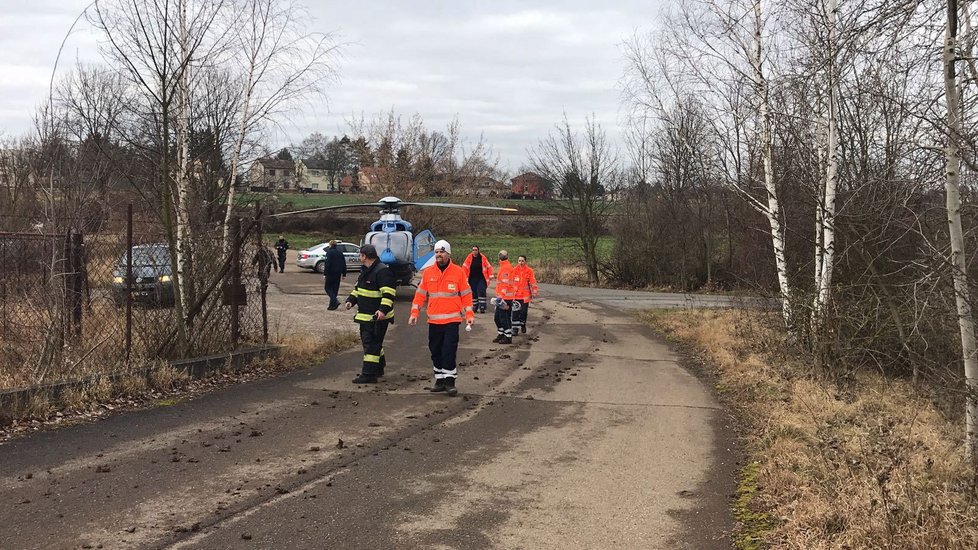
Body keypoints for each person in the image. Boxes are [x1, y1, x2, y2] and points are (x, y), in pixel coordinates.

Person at [408, 239, 475, 396]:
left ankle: (450, 382)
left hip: (452, 321)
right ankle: (439, 380)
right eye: (437, 252)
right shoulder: (428, 273)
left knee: (448, 351)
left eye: (442, 252)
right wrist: (414, 313)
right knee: (435, 350)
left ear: (448, 254)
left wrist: (469, 315)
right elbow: (420, 295)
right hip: (434, 321)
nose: (438, 255)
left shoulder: (458, 272)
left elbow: (466, 295)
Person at [345, 244, 397, 384]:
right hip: (365, 316)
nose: (359, 257)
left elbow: (388, 294)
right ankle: (378, 368)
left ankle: (368, 374)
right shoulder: (366, 271)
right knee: (372, 343)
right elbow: (358, 290)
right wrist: (351, 300)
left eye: (360, 255)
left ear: (364, 256)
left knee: (371, 344)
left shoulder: (382, 272)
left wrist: (382, 311)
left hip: (377, 317)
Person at [511, 254, 540, 334]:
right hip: (516, 296)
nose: (521, 262)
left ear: (525, 261)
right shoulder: (514, 270)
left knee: (523, 312)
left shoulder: (529, 271)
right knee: (515, 313)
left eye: (522, 261)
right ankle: (515, 329)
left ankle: (523, 324)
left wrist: (534, 291)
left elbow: (533, 282)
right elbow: (510, 282)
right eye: (519, 261)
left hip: (525, 297)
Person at [492, 250, 516, 344]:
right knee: (497, 318)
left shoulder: (506, 267)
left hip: (505, 298)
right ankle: (501, 333)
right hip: (502, 297)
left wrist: (501, 297)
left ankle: (508, 336)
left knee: (504, 318)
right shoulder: (504, 266)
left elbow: (505, 284)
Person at [461, 245, 493, 313]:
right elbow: (464, 267)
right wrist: (463, 277)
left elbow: (488, 266)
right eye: (473, 250)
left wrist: (490, 275)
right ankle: (474, 306)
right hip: (472, 278)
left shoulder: (482, 258)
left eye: (476, 250)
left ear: (478, 251)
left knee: (481, 290)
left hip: (481, 278)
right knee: (473, 292)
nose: (474, 251)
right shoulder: (469, 258)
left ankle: (482, 306)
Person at [323, 240, 347, 310]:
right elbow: (343, 264)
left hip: (331, 273)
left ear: (330, 245)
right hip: (338, 274)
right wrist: (344, 274)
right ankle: (332, 306)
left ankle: (335, 301)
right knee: (334, 290)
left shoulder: (329, 253)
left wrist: (325, 274)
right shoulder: (340, 253)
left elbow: (327, 264)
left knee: (327, 288)